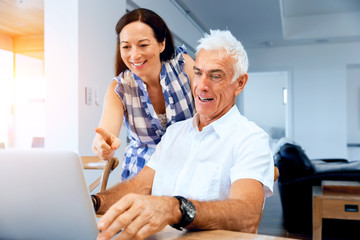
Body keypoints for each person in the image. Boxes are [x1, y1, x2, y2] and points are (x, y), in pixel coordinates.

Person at [92, 30, 274, 240]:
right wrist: (94, 202)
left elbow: (247, 216)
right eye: (198, 73)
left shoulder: (250, 139)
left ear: (240, 83)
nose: (202, 86)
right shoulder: (174, 133)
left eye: (216, 76)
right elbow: (138, 186)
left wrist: (175, 208)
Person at [92, 8, 196, 180]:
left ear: (162, 43)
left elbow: (211, 112)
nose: (134, 55)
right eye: (126, 46)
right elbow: (106, 133)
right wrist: (103, 145)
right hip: (141, 174)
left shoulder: (183, 66)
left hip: (188, 170)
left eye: (143, 45)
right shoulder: (119, 88)